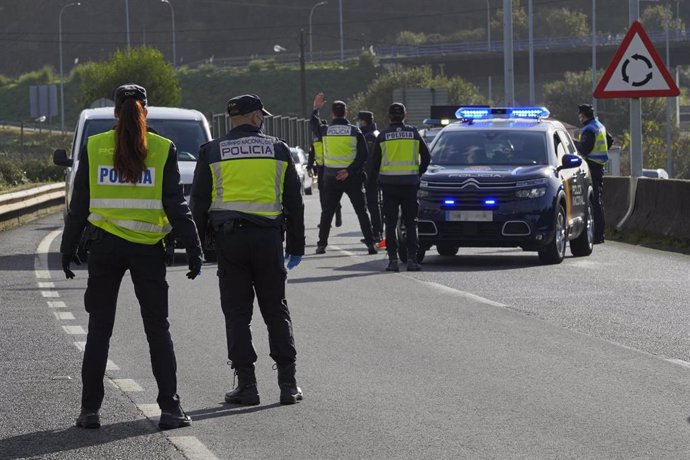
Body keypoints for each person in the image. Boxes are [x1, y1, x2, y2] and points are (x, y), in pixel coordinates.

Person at [60, 84, 203, 430]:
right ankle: (170, 409)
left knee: (99, 331)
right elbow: (175, 204)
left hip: (104, 249)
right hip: (147, 250)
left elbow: (79, 206)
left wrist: (68, 247)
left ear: (114, 113)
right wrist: (194, 247)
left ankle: (89, 411)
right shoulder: (161, 148)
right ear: (146, 111)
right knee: (158, 330)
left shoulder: (95, 147)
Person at [190, 94, 305, 405]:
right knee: (275, 310)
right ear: (255, 118)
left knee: (237, 314)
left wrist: (197, 248)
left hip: (230, 243)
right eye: (261, 116)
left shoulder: (212, 151)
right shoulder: (278, 149)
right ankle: (288, 384)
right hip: (269, 241)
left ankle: (247, 386)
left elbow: (198, 204)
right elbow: (294, 202)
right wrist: (296, 246)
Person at [310, 92, 377, 255]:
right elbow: (364, 155)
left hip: (331, 178)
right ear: (346, 113)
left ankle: (321, 245)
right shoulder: (355, 131)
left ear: (333, 114)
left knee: (327, 212)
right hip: (351, 177)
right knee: (361, 212)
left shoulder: (325, 130)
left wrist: (315, 109)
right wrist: (349, 170)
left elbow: (313, 124)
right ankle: (370, 244)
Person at [368, 102, 430, 272]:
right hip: (410, 184)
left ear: (389, 117)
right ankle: (412, 260)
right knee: (411, 223)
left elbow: (374, 163)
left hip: (389, 185)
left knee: (390, 223)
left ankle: (393, 261)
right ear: (405, 115)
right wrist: (418, 172)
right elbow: (427, 157)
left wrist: (378, 177)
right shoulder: (413, 133)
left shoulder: (383, 135)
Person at [575, 104, 613, 244]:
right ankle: (599, 235)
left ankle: (597, 236)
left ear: (582, 115)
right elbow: (610, 140)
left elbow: (584, 149)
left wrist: (574, 145)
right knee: (597, 201)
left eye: (579, 115)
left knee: (594, 202)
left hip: (591, 167)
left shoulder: (589, 129)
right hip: (599, 166)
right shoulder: (598, 125)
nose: (579, 117)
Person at [307, 118, 342, 228]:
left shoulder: (332, 139)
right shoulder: (315, 140)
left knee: (333, 194)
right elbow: (312, 154)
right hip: (321, 170)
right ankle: (326, 221)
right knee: (323, 196)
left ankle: (338, 210)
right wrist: (309, 167)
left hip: (332, 169)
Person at [357, 111, 383, 244]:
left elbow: (368, 159)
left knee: (372, 205)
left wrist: (364, 176)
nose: (359, 123)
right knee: (375, 205)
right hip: (376, 174)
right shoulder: (376, 133)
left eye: (360, 121)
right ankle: (377, 232)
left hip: (371, 175)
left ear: (364, 121)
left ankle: (376, 233)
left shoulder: (368, 137)